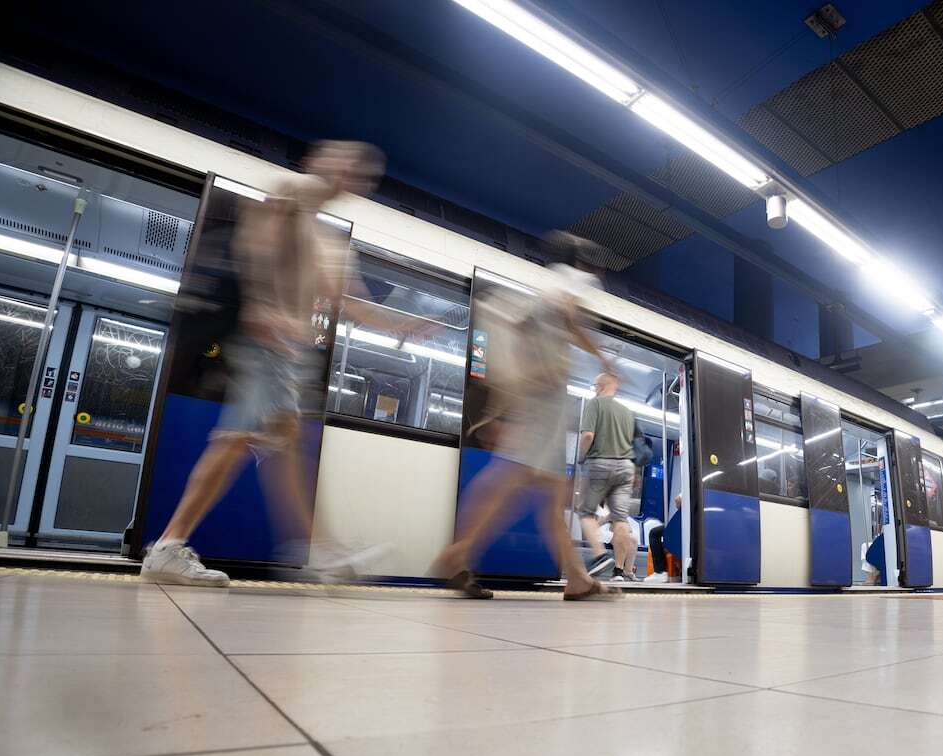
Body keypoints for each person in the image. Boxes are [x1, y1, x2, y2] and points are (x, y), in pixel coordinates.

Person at [140, 141, 398, 587]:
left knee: (284, 447)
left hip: (287, 352)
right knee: (239, 441)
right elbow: (254, 240)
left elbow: (349, 300)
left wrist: (409, 326)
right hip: (266, 342)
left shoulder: (326, 239)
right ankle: (168, 547)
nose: (348, 174)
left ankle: (313, 551)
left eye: (359, 173)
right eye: (344, 162)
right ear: (315, 160)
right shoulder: (291, 190)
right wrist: (260, 303)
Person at [429, 234, 620, 601]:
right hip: (545, 394)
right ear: (584, 262)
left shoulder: (550, 279)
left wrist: (599, 356)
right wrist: (593, 356)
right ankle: (456, 555)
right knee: (512, 476)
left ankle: (577, 578)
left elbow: (557, 321)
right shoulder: (573, 278)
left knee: (545, 491)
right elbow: (564, 312)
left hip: (543, 393)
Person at [575, 372, 639, 582]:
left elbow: (587, 436)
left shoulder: (596, 404)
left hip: (601, 462)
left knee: (584, 511)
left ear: (601, 386)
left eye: (595, 385)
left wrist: (582, 456)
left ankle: (600, 556)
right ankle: (619, 572)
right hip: (626, 467)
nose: (594, 389)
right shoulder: (628, 413)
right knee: (621, 519)